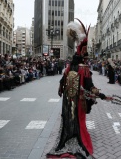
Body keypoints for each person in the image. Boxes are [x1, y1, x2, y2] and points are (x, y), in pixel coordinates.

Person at [46, 19, 113, 159]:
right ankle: (78, 138)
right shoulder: (84, 68)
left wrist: (61, 89)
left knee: (69, 118)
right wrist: (100, 94)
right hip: (79, 99)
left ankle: (70, 135)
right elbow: (90, 86)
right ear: (84, 55)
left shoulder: (71, 66)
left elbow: (62, 81)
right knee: (79, 119)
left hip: (68, 98)